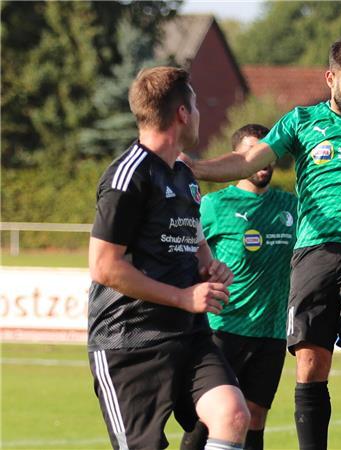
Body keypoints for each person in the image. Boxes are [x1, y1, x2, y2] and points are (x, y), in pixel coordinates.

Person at [185, 37, 341, 450]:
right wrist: (193, 167)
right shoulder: (301, 121)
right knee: (310, 364)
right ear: (331, 78)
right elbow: (247, 160)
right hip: (313, 254)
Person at [87, 66, 250, 450]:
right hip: (130, 341)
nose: (198, 115)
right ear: (181, 113)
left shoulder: (183, 173)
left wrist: (208, 263)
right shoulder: (127, 178)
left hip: (188, 333)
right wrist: (182, 296)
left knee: (232, 414)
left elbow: (193, 236)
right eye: (194, 106)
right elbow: (104, 266)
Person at [181, 124, 297, 450]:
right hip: (223, 328)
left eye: (268, 154)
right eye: (251, 154)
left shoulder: (291, 207)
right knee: (210, 417)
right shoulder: (215, 206)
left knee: (255, 417)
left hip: (272, 331)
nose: (263, 162)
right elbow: (184, 252)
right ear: (236, 159)